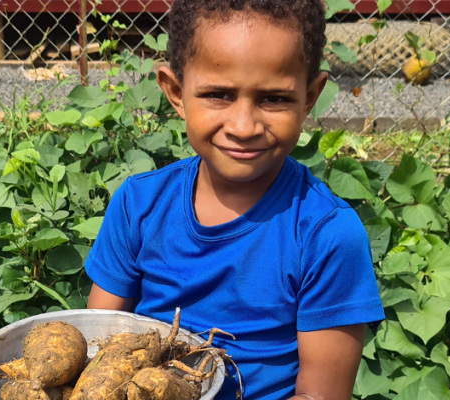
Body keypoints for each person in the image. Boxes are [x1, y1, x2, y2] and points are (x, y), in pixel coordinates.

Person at [84, 1, 385, 399]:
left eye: (274, 99)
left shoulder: (327, 235)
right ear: (176, 92)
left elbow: (320, 395)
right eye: (219, 94)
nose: (244, 127)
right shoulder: (138, 205)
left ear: (310, 97)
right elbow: (99, 346)